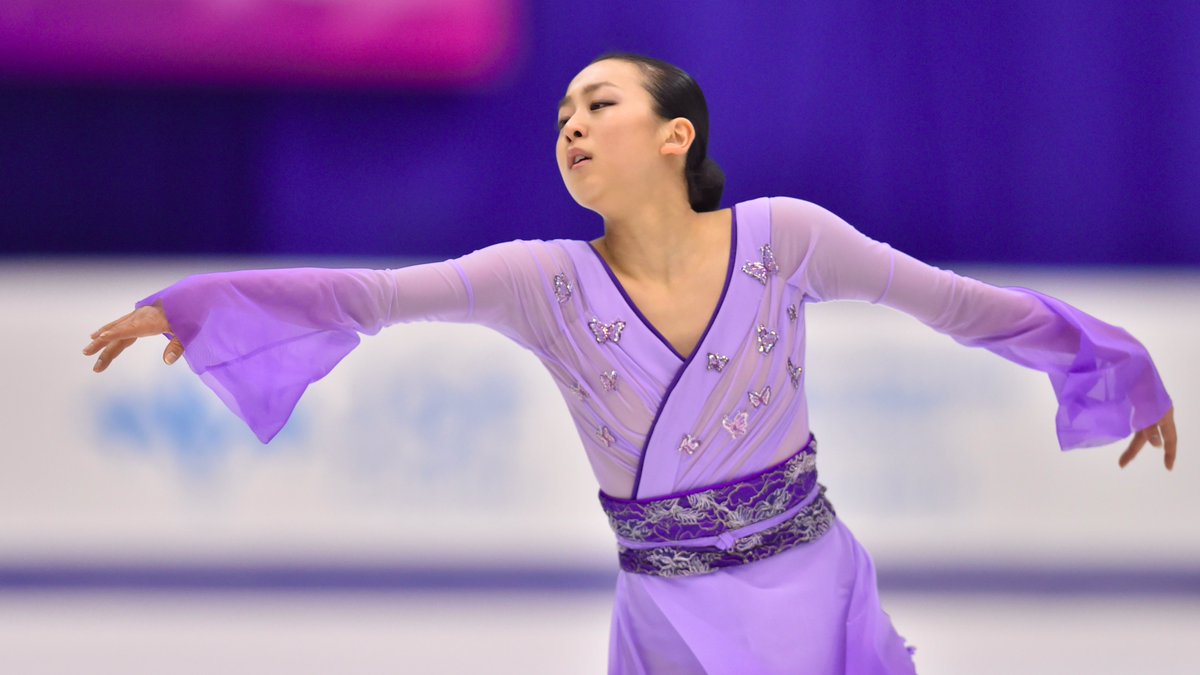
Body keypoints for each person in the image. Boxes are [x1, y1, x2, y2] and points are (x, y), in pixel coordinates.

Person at [82, 53, 1177, 674]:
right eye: (559, 116)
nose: (570, 126)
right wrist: (200, 307)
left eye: (598, 104)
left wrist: (1113, 362)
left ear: (675, 137)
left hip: (810, 584)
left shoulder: (785, 238)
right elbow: (367, 299)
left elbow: (959, 307)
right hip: (666, 613)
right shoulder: (535, 281)